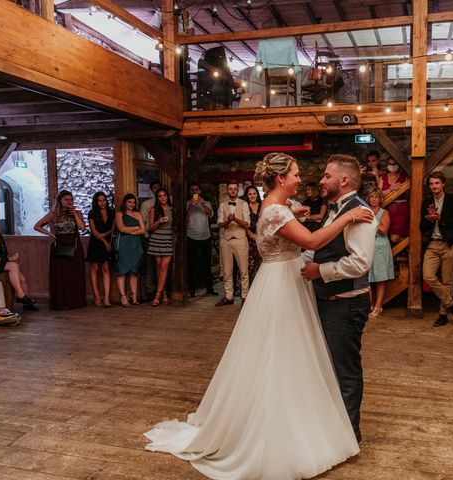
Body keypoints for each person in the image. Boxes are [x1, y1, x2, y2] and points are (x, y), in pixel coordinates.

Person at [144, 152, 374, 479]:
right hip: (283, 285)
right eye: (295, 174)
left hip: (285, 280)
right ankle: (277, 427)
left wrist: (301, 213)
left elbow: (293, 232)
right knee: (279, 354)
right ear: (281, 179)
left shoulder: (278, 209)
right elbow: (309, 240)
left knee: (295, 355)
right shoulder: (278, 211)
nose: (301, 179)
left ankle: (301, 418)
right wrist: (346, 219)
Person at [300, 154, 378, 442]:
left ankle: (349, 433)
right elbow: (322, 247)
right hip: (328, 301)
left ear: (344, 180)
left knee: (345, 369)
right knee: (327, 366)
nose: (321, 181)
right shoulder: (336, 209)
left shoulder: (361, 212)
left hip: (346, 304)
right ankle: (334, 426)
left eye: (327, 176)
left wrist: (320, 270)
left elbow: (360, 264)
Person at [420, 172, 453, 327]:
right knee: (427, 276)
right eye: (431, 184)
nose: (434, 186)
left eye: (437, 183)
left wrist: (440, 219)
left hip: (449, 244)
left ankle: (443, 315)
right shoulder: (426, 203)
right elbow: (421, 227)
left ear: (443, 184)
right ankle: (452, 304)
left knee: (447, 282)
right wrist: (429, 220)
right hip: (432, 244)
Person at [34, 190, 86, 310]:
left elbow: (82, 227)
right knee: (62, 274)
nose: (69, 202)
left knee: (75, 273)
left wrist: (74, 214)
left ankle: (75, 301)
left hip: (74, 243)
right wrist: (51, 234)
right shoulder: (54, 214)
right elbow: (37, 226)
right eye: (66, 200)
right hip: (60, 244)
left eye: (71, 199)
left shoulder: (77, 212)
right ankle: (62, 302)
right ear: (60, 201)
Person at [0, 215, 38, 312]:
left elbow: (4, 253)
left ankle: (26, 302)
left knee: (22, 279)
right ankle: (21, 296)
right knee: (13, 265)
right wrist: (7, 259)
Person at [215, 180, 250, 306]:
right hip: (226, 241)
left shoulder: (244, 204)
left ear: (238, 190)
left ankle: (244, 297)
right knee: (227, 271)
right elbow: (219, 224)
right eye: (230, 188)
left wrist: (234, 219)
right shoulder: (222, 205)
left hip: (241, 240)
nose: (233, 191)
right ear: (227, 190)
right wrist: (227, 222)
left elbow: (247, 224)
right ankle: (229, 297)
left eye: (235, 188)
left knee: (243, 271)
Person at [365, 187, 395, 320]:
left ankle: (378, 306)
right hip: (366, 246)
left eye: (376, 197)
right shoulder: (365, 211)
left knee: (380, 279)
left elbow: (383, 230)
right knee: (366, 278)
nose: (373, 199)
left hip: (380, 248)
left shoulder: (384, 213)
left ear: (380, 199)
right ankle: (369, 305)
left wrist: (370, 222)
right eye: (371, 196)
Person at [186, 182, 217, 298]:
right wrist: (191, 207)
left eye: (196, 190)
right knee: (192, 264)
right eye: (192, 190)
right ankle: (192, 289)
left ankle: (209, 288)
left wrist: (203, 204)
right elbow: (185, 218)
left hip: (205, 236)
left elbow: (211, 215)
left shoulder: (206, 202)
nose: (194, 192)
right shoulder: (187, 203)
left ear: (200, 191)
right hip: (191, 237)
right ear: (190, 192)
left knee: (206, 264)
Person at [115, 194, 145, 307]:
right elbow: (121, 228)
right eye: (129, 202)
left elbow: (142, 230)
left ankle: (134, 295)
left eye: (133, 202)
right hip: (123, 244)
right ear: (125, 202)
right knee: (122, 270)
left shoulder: (137, 214)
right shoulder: (119, 214)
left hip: (135, 244)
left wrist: (129, 231)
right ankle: (123, 296)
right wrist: (136, 228)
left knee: (134, 271)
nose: (132, 204)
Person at [86, 192, 115, 307]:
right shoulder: (92, 213)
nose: (102, 203)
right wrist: (104, 241)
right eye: (99, 200)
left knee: (106, 268)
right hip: (96, 242)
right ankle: (96, 296)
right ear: (96, 202)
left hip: (107, 241)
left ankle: (107, 298)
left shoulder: (112, 212)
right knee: (95, 268)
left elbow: (113, 229)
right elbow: (93, 231)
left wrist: (106, 239)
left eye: (104, 200)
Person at [148, 188, 174, 306]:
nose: (162, 198)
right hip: (156, 239)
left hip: (168, 239)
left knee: (164, 266)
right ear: (157, 198)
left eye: (164, 195)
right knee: (159, 268)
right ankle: (163, 293)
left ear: (168, 197)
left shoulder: (173, 209)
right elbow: (151, 228)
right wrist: (158, 221)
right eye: (160, 196)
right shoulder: (154, 209)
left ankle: (157, 295)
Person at [378, 157, 409, 243]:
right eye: (390, 164)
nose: (392, 166)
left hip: (400, 210)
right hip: (386, 209)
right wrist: (390, 189)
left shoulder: (404, 177)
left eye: (394, 164)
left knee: (394, 238)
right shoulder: (382, 177)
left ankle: (411, 242)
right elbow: (378, 194)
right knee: (385, 237)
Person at [141, 181, 162, 301]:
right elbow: (143, 222)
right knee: (150, 264)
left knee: (163, 265)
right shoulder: (147, 204)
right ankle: (150, 290)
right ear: (151, 190)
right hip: (150, 236)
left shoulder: (167, 203)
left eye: (159, 188)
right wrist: (146, 236)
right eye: (155, 188)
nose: (157, 190)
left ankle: (162, 288)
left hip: (164, 237)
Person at [243, 185, 263, 285]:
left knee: (260, 264)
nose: (252, 196)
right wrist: (250, 234)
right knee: (249, 265)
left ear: (257, 194)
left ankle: (260, 287)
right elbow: (243, 223)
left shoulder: (262, 206)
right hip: (248, 239)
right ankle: (249, 289)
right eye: (250, 194)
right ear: (247, 195)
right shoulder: (244, 206)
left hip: (261, 239)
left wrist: (260, 235)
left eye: (254, 193)